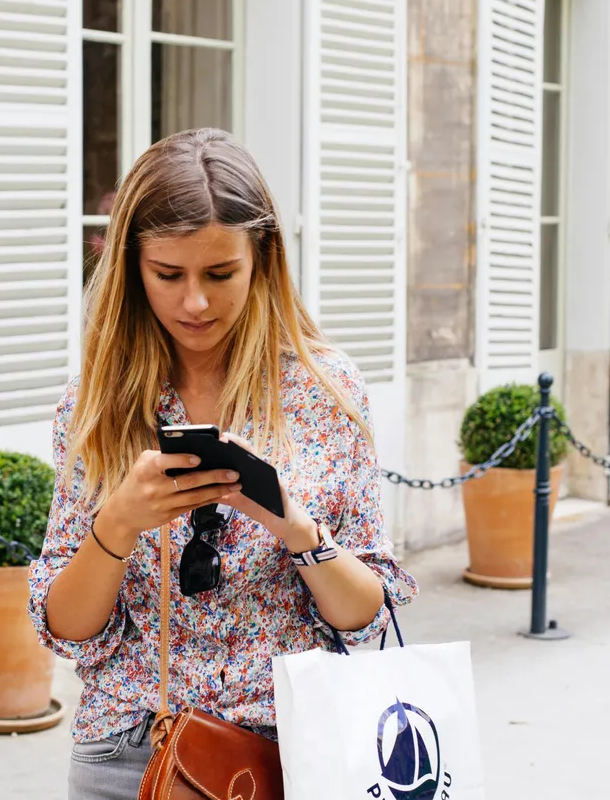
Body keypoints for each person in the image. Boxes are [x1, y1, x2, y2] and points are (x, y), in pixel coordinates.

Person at [27, 128, 417, 800]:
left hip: (293, 756)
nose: (195, 303)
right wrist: (117, 524)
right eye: (168, 275)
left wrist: (291, 522)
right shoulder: (95, 404)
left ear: (262, 258)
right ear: (132, 266)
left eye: (219, 273)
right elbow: (64, 627)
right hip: (130, 752)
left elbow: (366, 615)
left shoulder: (327, 394)